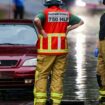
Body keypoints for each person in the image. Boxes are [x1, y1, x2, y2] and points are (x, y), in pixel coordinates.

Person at [33, 0, 84, 105]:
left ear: (48, 4)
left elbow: (36, 20)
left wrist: (41, 30)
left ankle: (40, 101)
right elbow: (81, 22)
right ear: (59, 4)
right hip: (61, 51)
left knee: (42, 75)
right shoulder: (66, 14)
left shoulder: (45, 13)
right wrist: (68, 30)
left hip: (46, 50)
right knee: (58, 75)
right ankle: (56, 101)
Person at [96, 0, 105, 104]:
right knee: (100, 71)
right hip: (102, 44)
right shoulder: (103, 16)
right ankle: (103, 96)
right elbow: (100, 32)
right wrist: (98, 46)